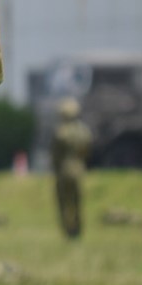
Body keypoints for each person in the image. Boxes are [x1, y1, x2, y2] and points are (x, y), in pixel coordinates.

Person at [51, 97, 93, 239]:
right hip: (79, 169)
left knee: (63, 202)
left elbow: (55, 155)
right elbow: (87, 149)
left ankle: (68, 230)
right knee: (77, 202)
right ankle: (78, 229)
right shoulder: (84, 131)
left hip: (64, 171)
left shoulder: (60, 132)